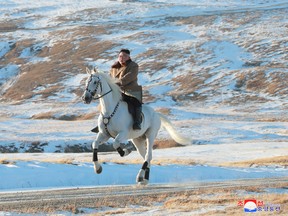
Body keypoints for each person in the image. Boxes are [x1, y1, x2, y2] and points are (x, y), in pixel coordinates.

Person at [91, 49, 142, 133]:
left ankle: (137, 122)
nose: (122, 58)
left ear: (129, 57)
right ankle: (103, 123)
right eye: (120, 56)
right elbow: (110, 78)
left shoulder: (133, 66)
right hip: (117, 90)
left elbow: (129, 77)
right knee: (105, 102)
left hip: (130, 90)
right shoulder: (114, 67)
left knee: (136, 103)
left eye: (124, 56)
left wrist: (117, 83)